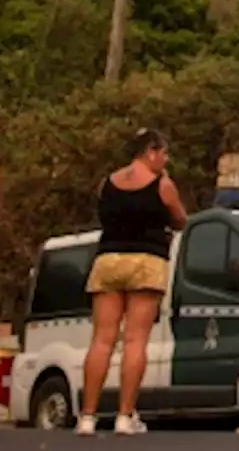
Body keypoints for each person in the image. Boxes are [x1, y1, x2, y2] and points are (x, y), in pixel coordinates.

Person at [75, 128, 187, 437]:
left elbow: (104, 214)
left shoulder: (106, 183)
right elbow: (180, 219)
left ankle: (87, 417)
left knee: (102, 339)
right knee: (136, 340)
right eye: (164, 153)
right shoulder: (162, 185)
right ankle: (125, 416)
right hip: (146, 261)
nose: (166, 160)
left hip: (108, 260)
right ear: (151, 151)